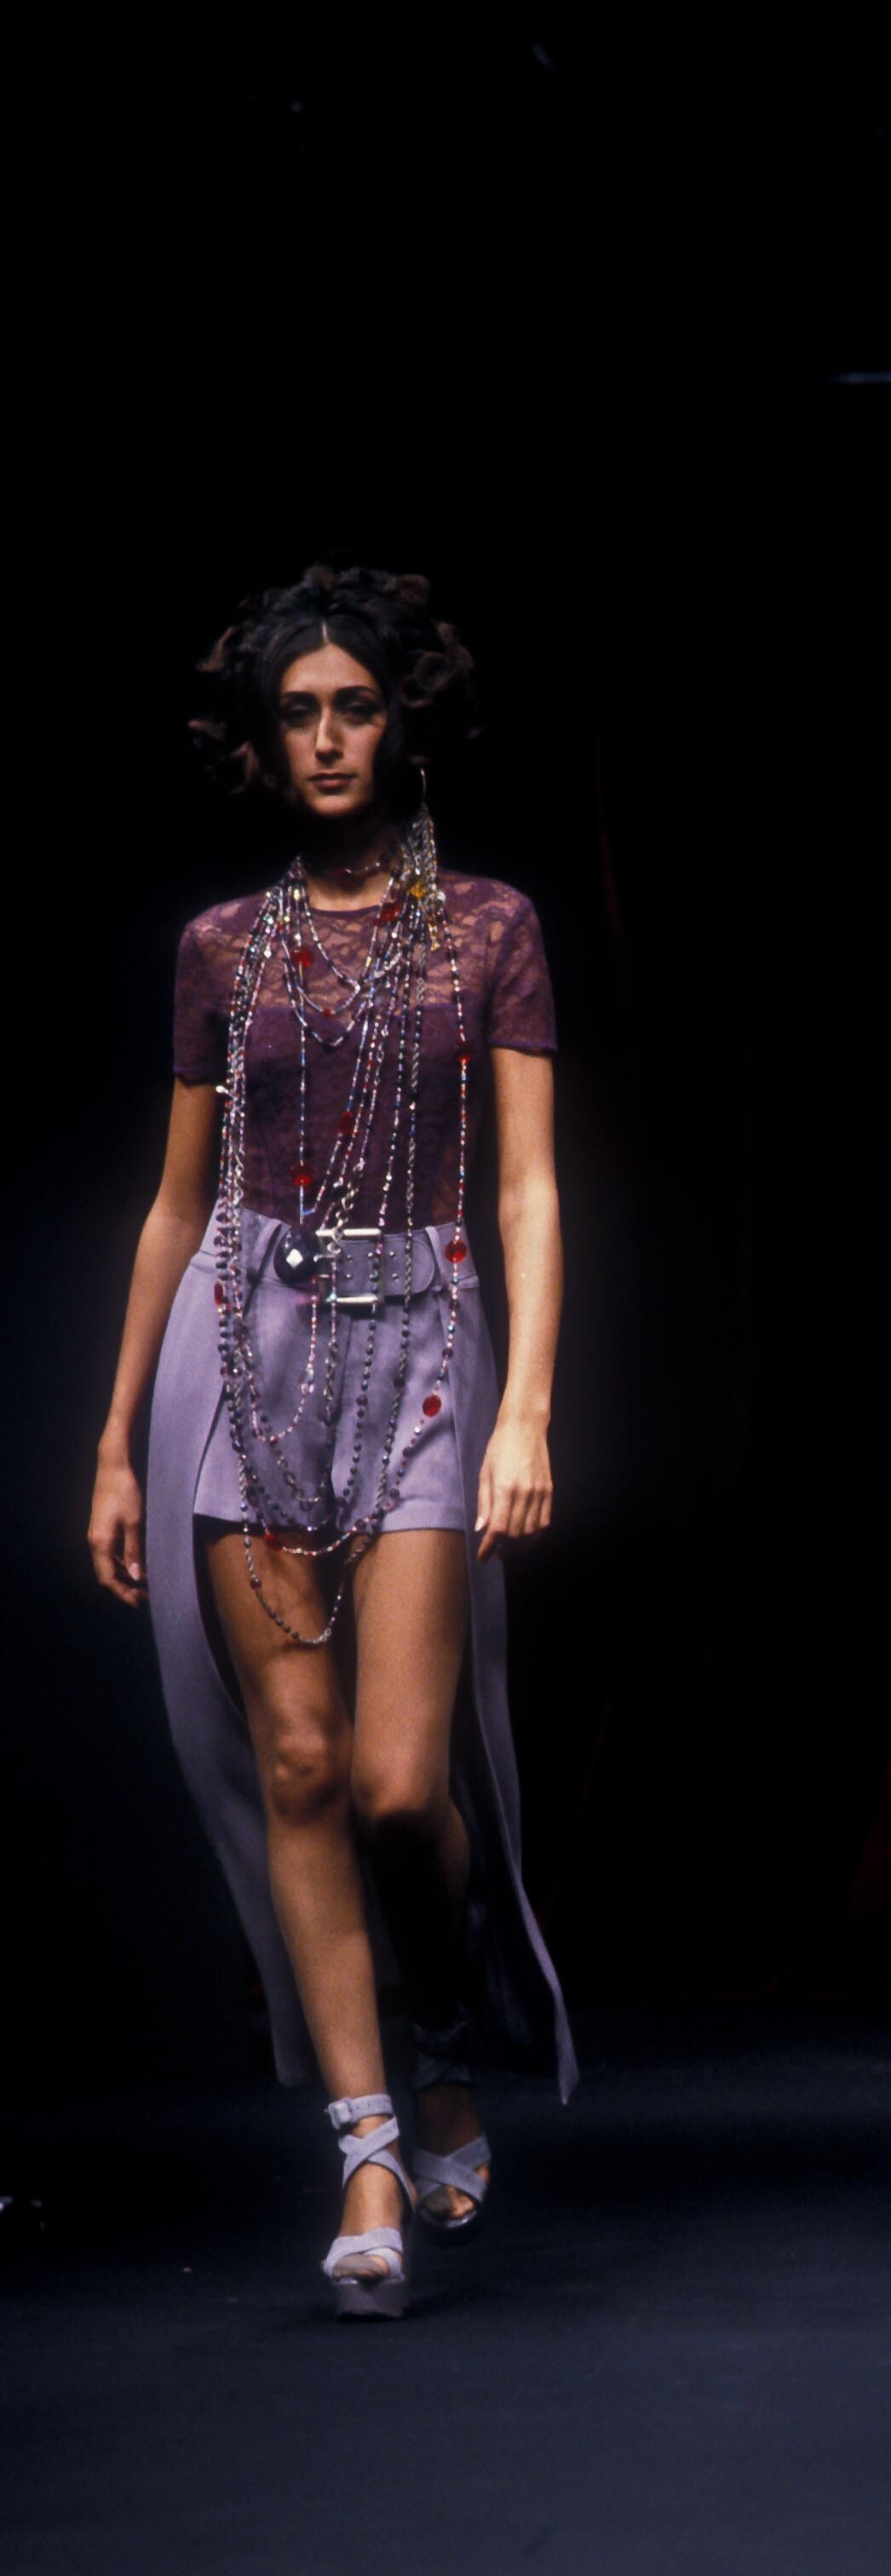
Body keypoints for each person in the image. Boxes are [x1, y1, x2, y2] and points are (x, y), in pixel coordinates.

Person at [88, 563, 574, 2320]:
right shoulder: (223, 946)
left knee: (396, 1786)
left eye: (353, 705)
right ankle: (368, 2146)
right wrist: (117, 1442)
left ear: (404, 718)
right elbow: (174, 1205)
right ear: (261, 740)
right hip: (245, 1341)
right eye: (296, 713)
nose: (325, 739)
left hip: (426, 1340)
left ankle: (441, 2030)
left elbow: (526, 1187)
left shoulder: (489, 927)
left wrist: (529, 1407)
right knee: (295, 1765)